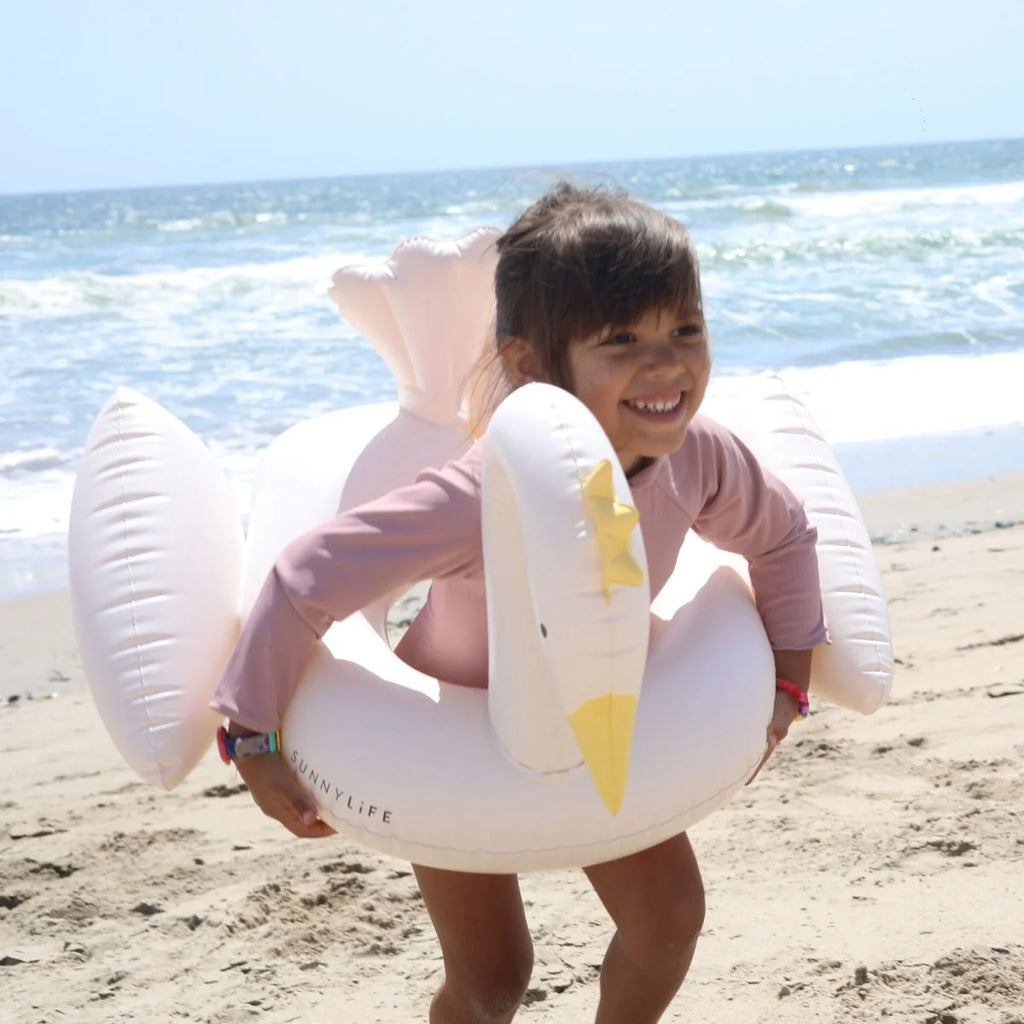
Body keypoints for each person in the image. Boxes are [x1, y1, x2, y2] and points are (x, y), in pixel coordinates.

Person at [210, 182, 827, 1024]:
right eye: (621, 340)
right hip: (452, 732)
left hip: (609, 712)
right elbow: (305, 575)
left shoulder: (699, 459)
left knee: (669, 919)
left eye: (685, 328)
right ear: (533, 364)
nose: (666, 365)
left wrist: (788, 680)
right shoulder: (479, 497)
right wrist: (253, 736)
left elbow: (784, 536)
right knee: (496, 977)